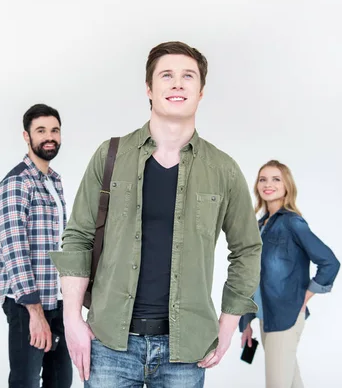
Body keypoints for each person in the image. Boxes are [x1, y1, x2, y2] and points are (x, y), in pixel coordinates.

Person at [48, 41, 262, 388]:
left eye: (187, 76)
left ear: (200, 91)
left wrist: (228, 324)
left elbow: (247, 248)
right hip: (110, 345)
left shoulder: (223, 170)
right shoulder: (110, 155)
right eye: (167, 75)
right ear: (150, 88)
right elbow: (78, 236)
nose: (177, 83)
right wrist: (72, 319)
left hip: (186, 351)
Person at [239, 160, 341, 388]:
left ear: (287, 185)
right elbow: (251, 276)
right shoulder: (259, 226)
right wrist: (245, 321)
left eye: (276, 179)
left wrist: (306, 295)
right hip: (266, 318)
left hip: (286, 317)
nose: (268, 184)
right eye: (263, 179)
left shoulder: (293, 223)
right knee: (291, 382)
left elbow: (330, 262)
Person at [0, 103, 72, 387]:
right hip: (27, 303)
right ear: (27, 136)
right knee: (26, 381)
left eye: (54, 130)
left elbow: (62, 243)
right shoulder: (17, 182)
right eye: (41, 131)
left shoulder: (55, 182)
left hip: (58, 300)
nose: (49, 136)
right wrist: (34, 311)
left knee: (61, 380)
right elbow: (14, 249)